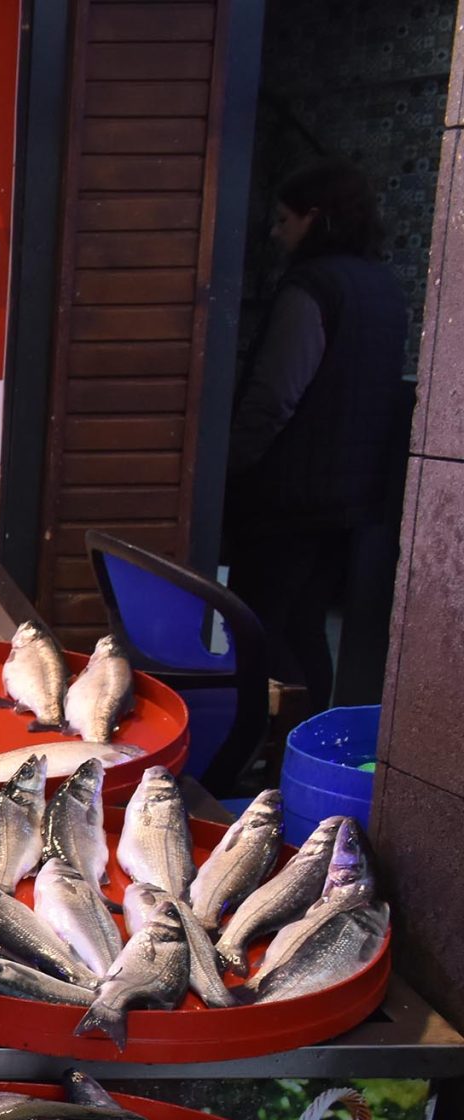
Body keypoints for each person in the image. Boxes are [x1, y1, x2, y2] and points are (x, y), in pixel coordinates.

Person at [226, 158, 410, 712]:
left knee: (257, 627)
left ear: (315, 217)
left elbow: (275, 394)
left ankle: (255, 749)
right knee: (305, 627)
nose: (277, 233)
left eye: (284, 219)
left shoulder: (312, 287)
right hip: (349, 501)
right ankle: (305, 748)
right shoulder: (386, 288)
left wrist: (230, 465)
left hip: (288, 497)